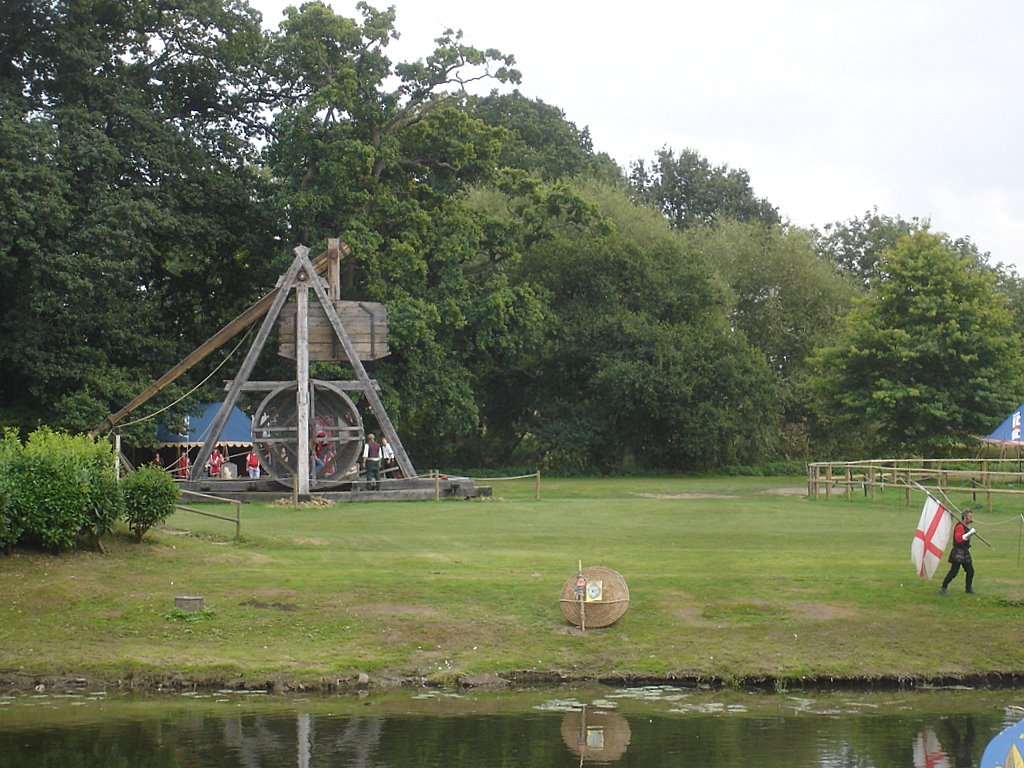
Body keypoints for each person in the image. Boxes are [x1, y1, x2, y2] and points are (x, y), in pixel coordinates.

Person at [941, 508, 978, 595]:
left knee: (970, 571)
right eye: (970, 516)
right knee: (954, 572)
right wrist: (970, 533)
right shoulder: (960, 526)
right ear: (965, 517)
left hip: (965, 551)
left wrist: (970, 532)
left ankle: (968, 589)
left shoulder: (965, 526)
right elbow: (959, 539)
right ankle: (944, 587)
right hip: (958, 552)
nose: (971, 518)